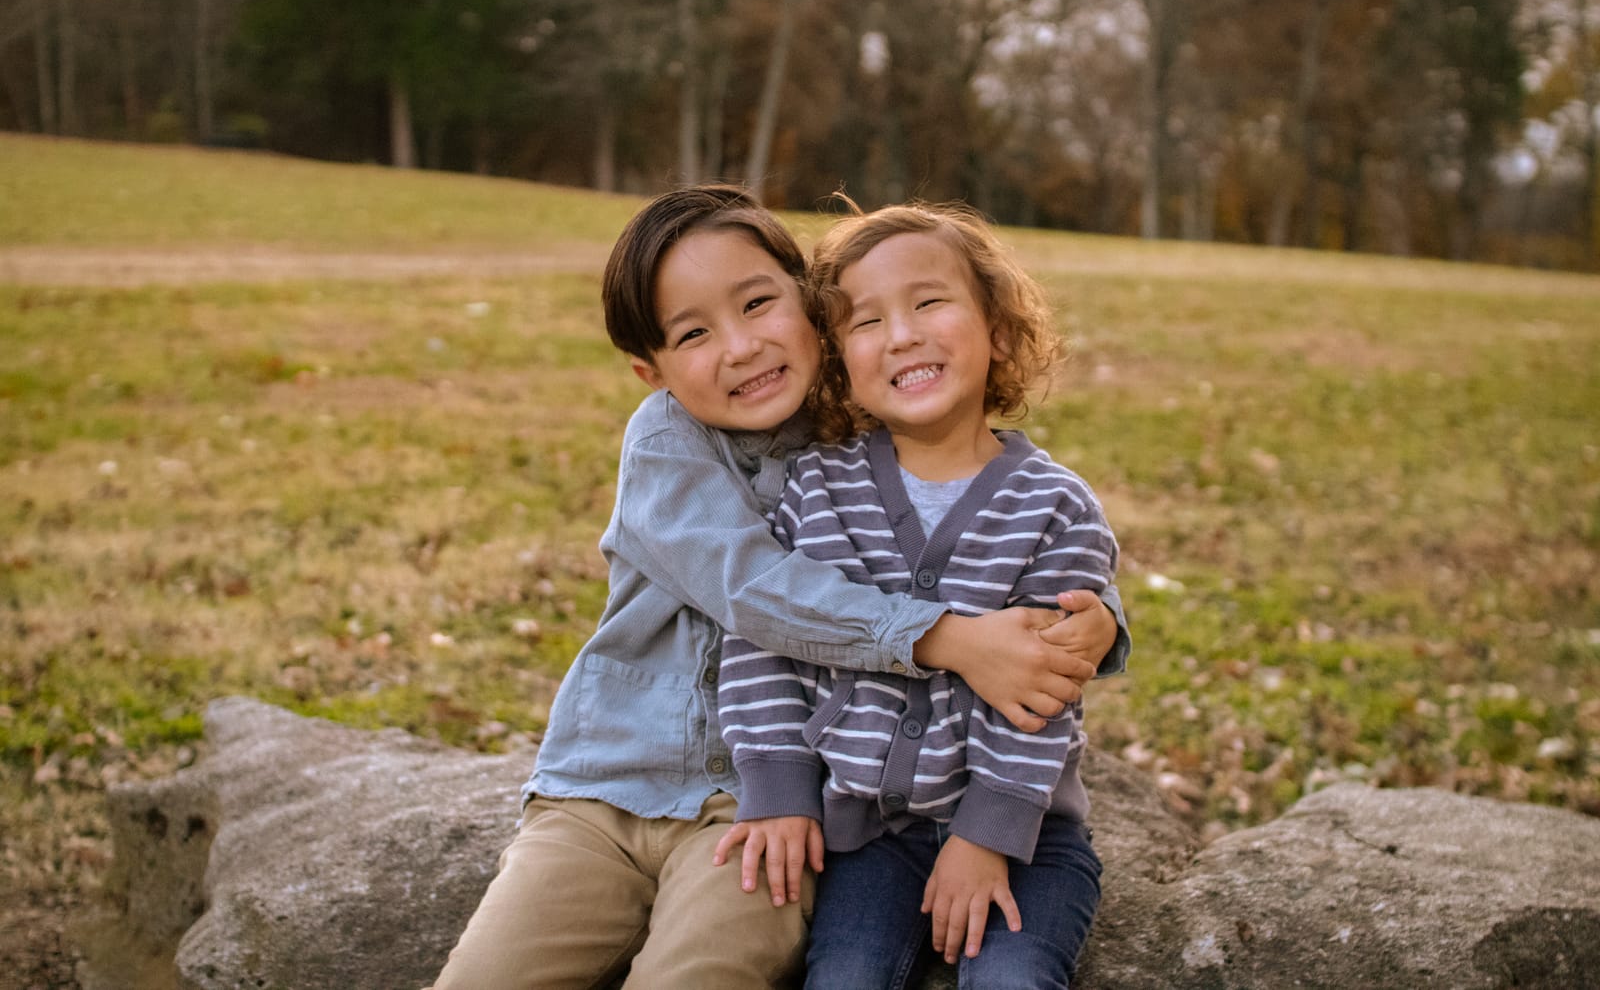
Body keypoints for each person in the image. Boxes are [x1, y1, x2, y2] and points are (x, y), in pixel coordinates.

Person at [429, 186, 1128, 990]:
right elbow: (758, 597)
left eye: (759, 303)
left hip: (755, 806)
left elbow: (1020, 540)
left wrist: (1098, 616)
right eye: (693, 333)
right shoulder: (668, 440)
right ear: (648, 370)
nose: (742, 347)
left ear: (810, 309)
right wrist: (948, 637)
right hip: (608, 787)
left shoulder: (859, 435)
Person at [716, 199, 1118, 989]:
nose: (901, 334)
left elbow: (1045, 682)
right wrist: (780, 786)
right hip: (869, 836)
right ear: (840, 360)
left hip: (1028, 834)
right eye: (865, 321)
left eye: (929, 301)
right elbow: (767, 634)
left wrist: (987, 836)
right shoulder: (817, 487)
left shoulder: (1056, 506)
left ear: (998, 329)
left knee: (1011, 978)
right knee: (845, 975)